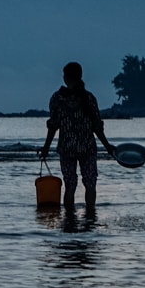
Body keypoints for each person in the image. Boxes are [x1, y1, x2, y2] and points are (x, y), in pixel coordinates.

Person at [40, 61, 116, 207]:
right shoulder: (89, 98)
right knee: (90, 184)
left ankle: (69, 219)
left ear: (65, 78)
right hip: (87, 148)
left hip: (67, 148)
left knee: (70, 186)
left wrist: (45, 148)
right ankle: (90, 216)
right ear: (80, 76)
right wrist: (107, 146)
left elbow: (53, 126)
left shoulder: (57, 98)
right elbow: (97, 127)